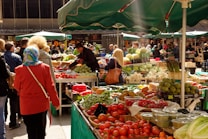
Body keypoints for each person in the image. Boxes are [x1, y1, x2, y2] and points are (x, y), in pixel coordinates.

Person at [13, 45, 60, 139]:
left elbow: (17, 87)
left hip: (26, 105)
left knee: (31, 131)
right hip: (41, 104)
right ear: (36, 55)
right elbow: (51, 87)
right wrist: (56, 102)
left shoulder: (19, 69)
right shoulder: (45, 68)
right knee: (41, 131)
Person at [4, 41, 22, 129]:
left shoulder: (2, 57)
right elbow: (20, 71)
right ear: (11, 48)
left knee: (4, 102)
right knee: (14, 102)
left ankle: (3, 121)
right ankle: (13, 121)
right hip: (14, 82)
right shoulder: (17, 57)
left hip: (3, 83)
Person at [0, 39, 9, 139]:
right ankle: (1, 135)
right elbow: (5, 74)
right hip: (1, 88)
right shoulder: (1, 59)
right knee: (0, 111)